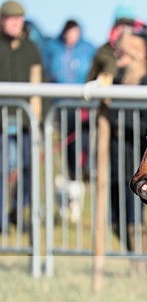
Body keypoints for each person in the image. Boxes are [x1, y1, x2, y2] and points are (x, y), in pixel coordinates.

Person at [107, 28, 147, 263]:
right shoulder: (118, 79)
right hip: (116, 158)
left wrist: (117, 118)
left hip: (135, 157)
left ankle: (139, 261)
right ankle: (133, 255)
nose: (118, 56)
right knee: (115, 216)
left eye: (123, 52)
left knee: (134, 213)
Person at [0, 0, 43, 231]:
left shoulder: (31, 48)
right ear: (2, 20)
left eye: (19, 19)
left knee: (28, 169)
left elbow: (38, 84)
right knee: (1, 169)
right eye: (10, 19)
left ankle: (18, 210)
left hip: (26, 122)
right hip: (1, 123)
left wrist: (38, 121)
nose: (15, 24)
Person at [45, 20, 96, 212]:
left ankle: (82, 174)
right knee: (69, 150)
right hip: (62, 107)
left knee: (82, 147)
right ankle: (72, 185)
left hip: (83, 108)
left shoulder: (88, 49)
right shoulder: (54, 49)